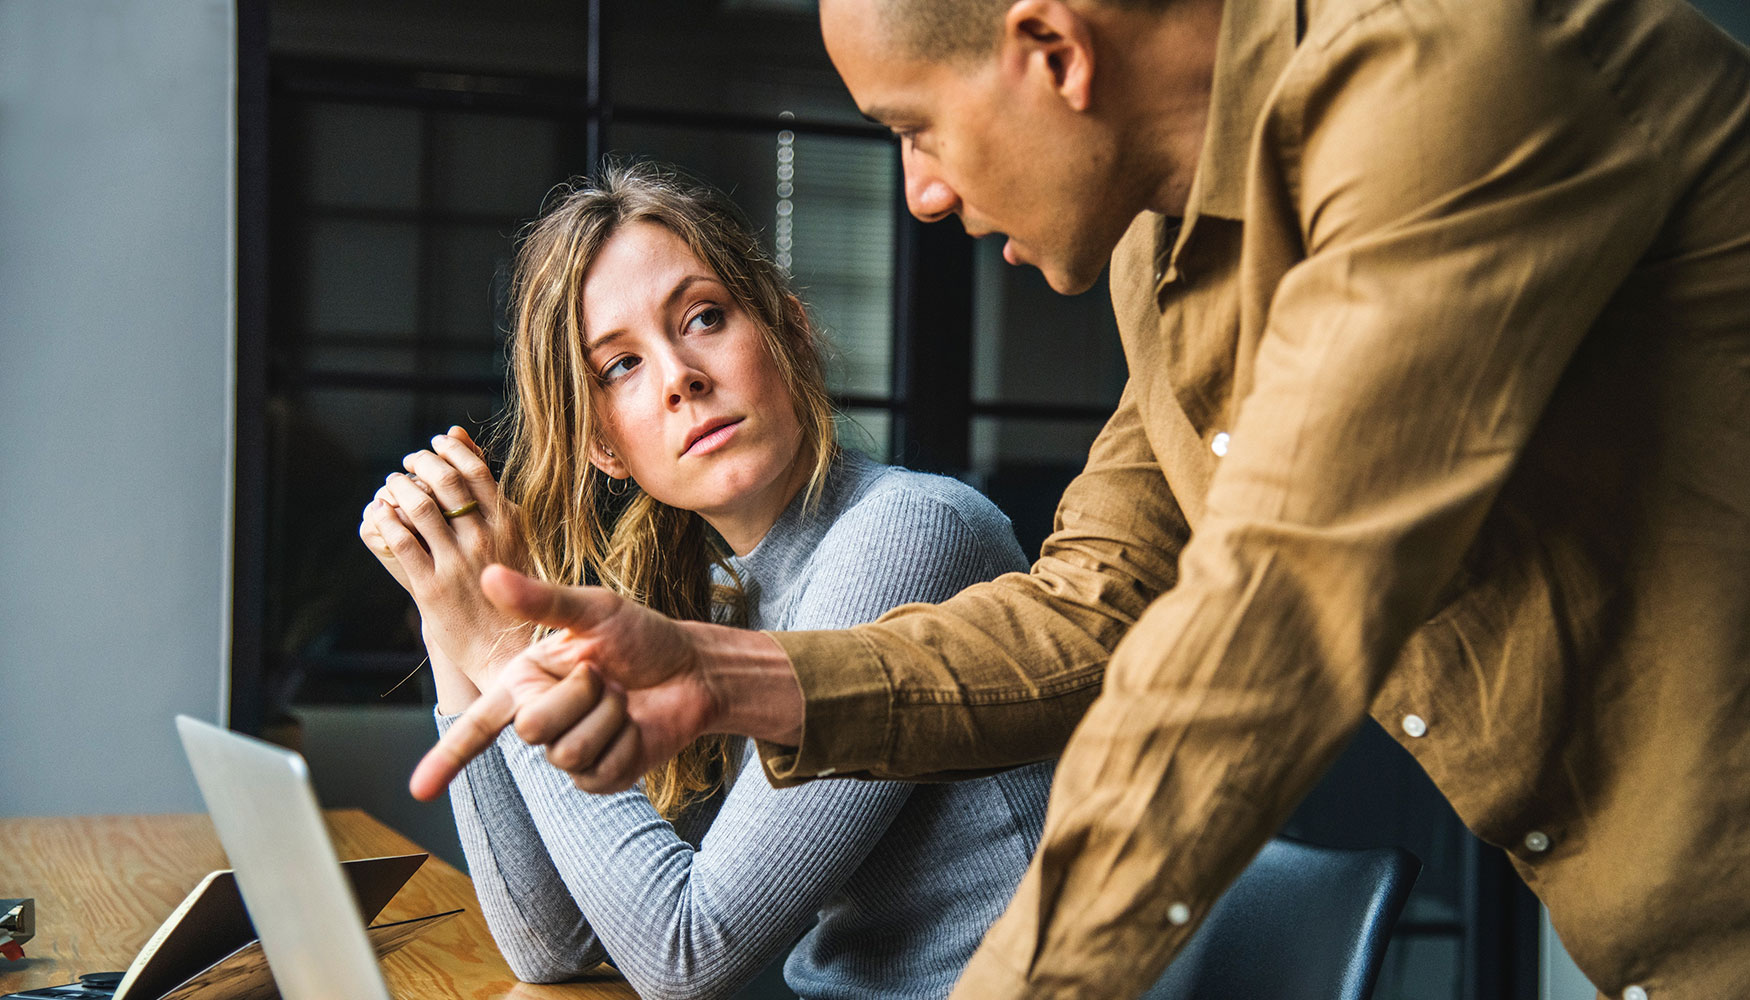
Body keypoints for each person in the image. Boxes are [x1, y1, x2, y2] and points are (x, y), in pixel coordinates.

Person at [415, 0, 1750, 997]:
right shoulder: (1164, 266)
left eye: (913, 129)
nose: (922, 194)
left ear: (1050, 48)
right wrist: (725, 673)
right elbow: (1090, 608)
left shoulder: (1442, 86)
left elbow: (1265, 626)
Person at [366, 161, 1054, 1000]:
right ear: (604, 447)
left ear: (791, 332)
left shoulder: (911, 532)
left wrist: (503, 644)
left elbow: (685, 956)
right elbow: (554, 943)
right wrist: (451, 617)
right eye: (619, 366)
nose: (677, 377)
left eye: (703, 318)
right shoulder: (713, 590)